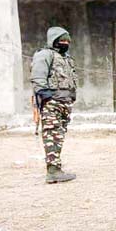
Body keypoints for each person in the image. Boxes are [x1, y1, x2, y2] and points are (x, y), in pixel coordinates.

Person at [30, 26, 78, 184]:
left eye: (67, 40)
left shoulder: (66, 58)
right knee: (52, 134)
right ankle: (53, 171)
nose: (65, 43)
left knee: (59, 135)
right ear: (53, 41)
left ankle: (55, 167)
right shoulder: (44, 55)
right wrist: (48, 97)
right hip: (53, 103)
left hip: (65, 102)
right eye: (61, 40)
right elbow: (38, 77)